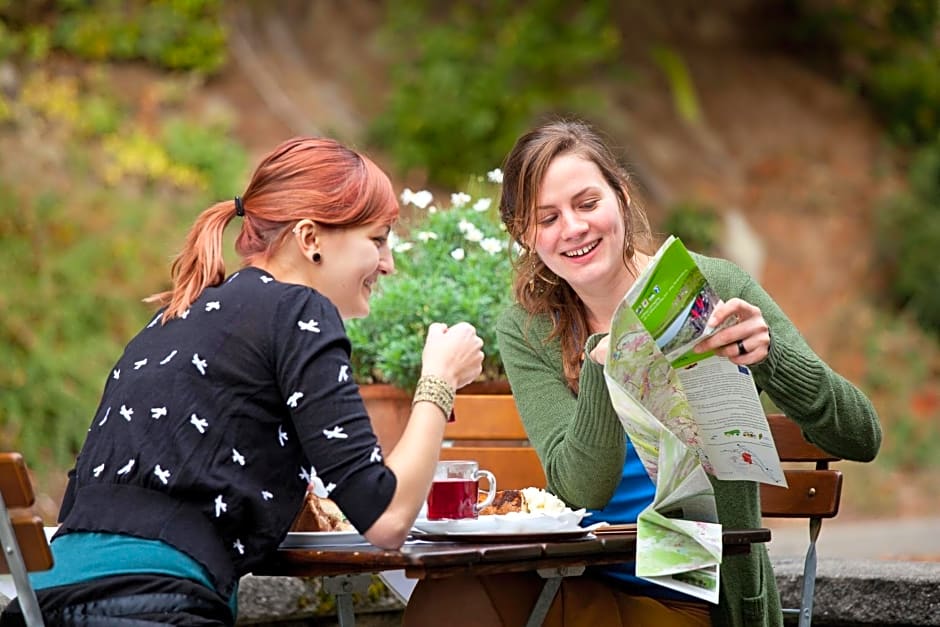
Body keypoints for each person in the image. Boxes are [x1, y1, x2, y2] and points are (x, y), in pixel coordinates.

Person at [403, 119, 881, 627]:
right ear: (524, 234)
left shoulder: (710, 284)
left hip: (694, 595)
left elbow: (861, 437)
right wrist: (603, 363)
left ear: (622, 197)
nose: (573, 228)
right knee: (447, 598)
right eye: (547, 219)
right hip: (578, 577)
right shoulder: (529, 328)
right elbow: (582, 489)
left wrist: (772, 360)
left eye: (587, 204)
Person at [0, 137, 484, 626]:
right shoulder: (299, 311)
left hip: (40, 601)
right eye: (377, 239)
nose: (388, 263)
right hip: (153, 608)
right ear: (310, 237)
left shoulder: (174, 317)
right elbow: (387, 519)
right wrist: (438, 381)